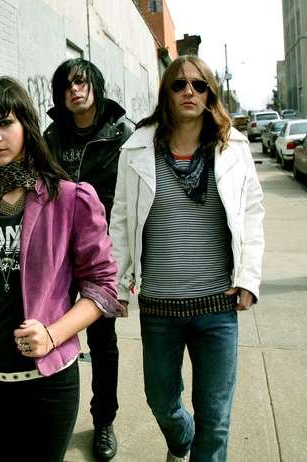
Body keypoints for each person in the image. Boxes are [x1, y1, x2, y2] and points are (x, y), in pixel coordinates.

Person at [0, 77, 125, 462]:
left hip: (48, 380)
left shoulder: (70, 200)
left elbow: (103, 287)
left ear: (27, 127)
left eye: (5, 123)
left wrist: (53, 334)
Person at [110, 56, 265, 462]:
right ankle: (182, 439)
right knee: (161, 401)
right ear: (166, 93)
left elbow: (251, 214)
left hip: (217, 305)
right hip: (159, 307)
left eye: (199, 85)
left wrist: (249, 278)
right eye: (179, 85)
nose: (189, 92)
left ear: (210, 93)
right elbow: (121, 219)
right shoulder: (138, 147)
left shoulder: (232, 147)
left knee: (216, 418)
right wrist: (118, 285)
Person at [43, 58, 134, 461]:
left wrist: (129, 265)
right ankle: (49, 418)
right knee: (49, 333)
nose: (75, 90)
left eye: (81, 82)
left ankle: (103, 421)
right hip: (58, 254)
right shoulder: (51, 137)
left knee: (102, 341)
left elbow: (134, 203)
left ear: (95, 86)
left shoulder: (123, 136)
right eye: (67, 86)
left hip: (101, 254)